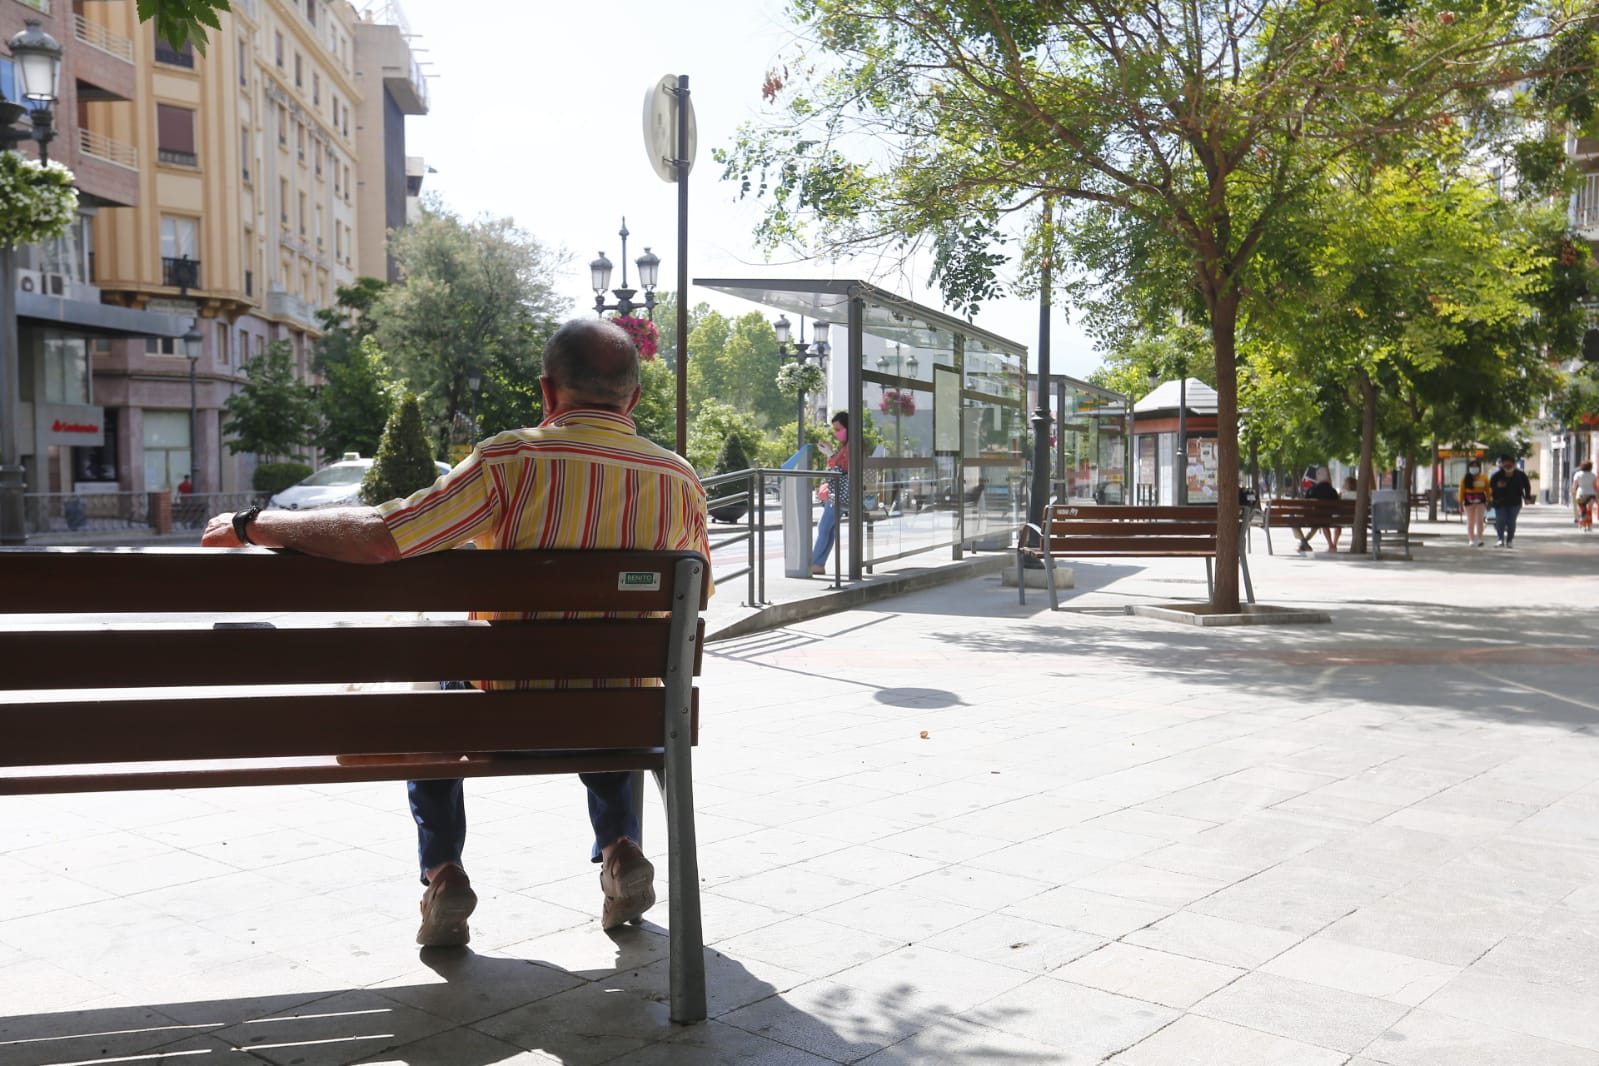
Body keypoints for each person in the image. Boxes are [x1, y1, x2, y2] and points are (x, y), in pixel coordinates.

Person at [201, 319, 712, 948]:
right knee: (613, 672)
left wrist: (256, 526)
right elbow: (694, 603)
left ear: (548, 394)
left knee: (436, 694)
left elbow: (383, 535)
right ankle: (621, 849)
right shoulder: (679, 479)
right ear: (632, 399)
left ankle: (444, 873)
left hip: (500, 717)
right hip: (627, 720)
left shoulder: (511, 460)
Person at [811, 411, 849, 576]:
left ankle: (815, 563)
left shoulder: (851, 446)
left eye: (839, 429)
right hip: (840, 493)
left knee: (824, 527)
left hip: (840, 494)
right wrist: (831, 452)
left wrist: (830, 454)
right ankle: (818, 563)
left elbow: (843, 468)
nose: (836, 433)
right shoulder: (846, 446)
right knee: (829, 528)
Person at [1488, 455, 1534, 548]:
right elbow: (1490, 487)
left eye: (1510, 463)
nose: (1507, 465)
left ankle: (1509, 540)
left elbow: (1527, 486)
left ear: (1514, 464)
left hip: (1515, 502)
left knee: (1511, 522)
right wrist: (1497, 487)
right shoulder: (1497, 475)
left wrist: (1527, 497)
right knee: (1500, 521)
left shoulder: (1520, 475)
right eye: (1505, 463)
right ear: (1502, 464)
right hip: (1500, 502)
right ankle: (1500, 539)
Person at [1292, 466, 1340, 552]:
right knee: (1318, 523)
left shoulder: (1312, 490)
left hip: (1312, 519)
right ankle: (1305, 543)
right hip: (1327, 519)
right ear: (1328, 477)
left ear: (1317, 477)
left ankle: (1304, 542)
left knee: (1292, 520)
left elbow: (1305, 506)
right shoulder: (1333, 492)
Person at [1459, 458, 1490, 547]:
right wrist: (1460, 503)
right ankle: (1471, 539)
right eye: (1472, 466)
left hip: (1480, 501)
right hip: (1469, 501)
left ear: (1479, 468)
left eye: (1476, 466)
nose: (1474, 468)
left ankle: (1480, 538)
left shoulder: (1484, 478)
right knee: (1470, 521)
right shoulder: (1465, 478)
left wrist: (1489, 500)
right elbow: (1461, 492)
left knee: (1479, 521)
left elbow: (1488, 490)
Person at [1574, 461, 1597, 532]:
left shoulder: (1577, 474)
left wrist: (1573, 492)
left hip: (1581, 494)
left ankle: (1582, 525)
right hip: (1591, 494)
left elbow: (1574, 485)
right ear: (1590, 467)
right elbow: (1594, 486)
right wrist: (1597, 495)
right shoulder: (1593, 475)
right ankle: (1589, 525)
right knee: (1589, 510)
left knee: (1582, 510)